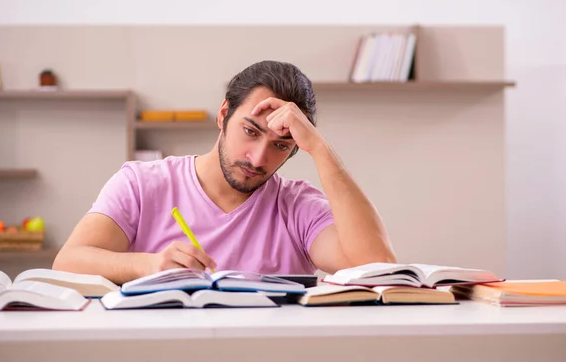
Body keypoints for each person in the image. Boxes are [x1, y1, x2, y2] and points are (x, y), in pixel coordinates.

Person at [53, 60, 396, 284]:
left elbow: (378, 266)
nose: (258, 158)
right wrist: (148, 266)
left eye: (281, 145)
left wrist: (320, 148)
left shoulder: (298, 207)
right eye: (250, 131)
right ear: (223, 115)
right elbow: (67, 262)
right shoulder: (141, 184)